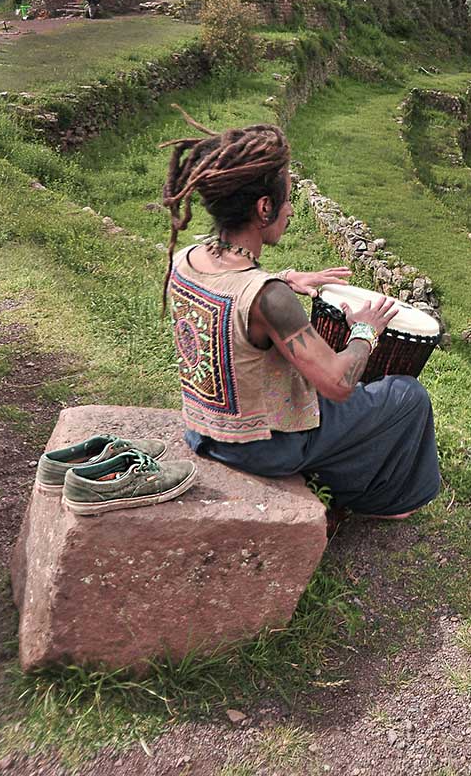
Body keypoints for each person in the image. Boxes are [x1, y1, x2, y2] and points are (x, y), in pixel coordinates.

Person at [160, 112, 441, 521]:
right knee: (404, 396)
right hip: (263, 448)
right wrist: (365, 330)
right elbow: (339, 384)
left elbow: (233, 293)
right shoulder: (269, 299)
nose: (291, 210)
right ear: (264, 207)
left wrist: (285, 277)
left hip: (203, 431)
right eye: (288, 199)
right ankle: (388, 505)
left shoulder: (187, 259)